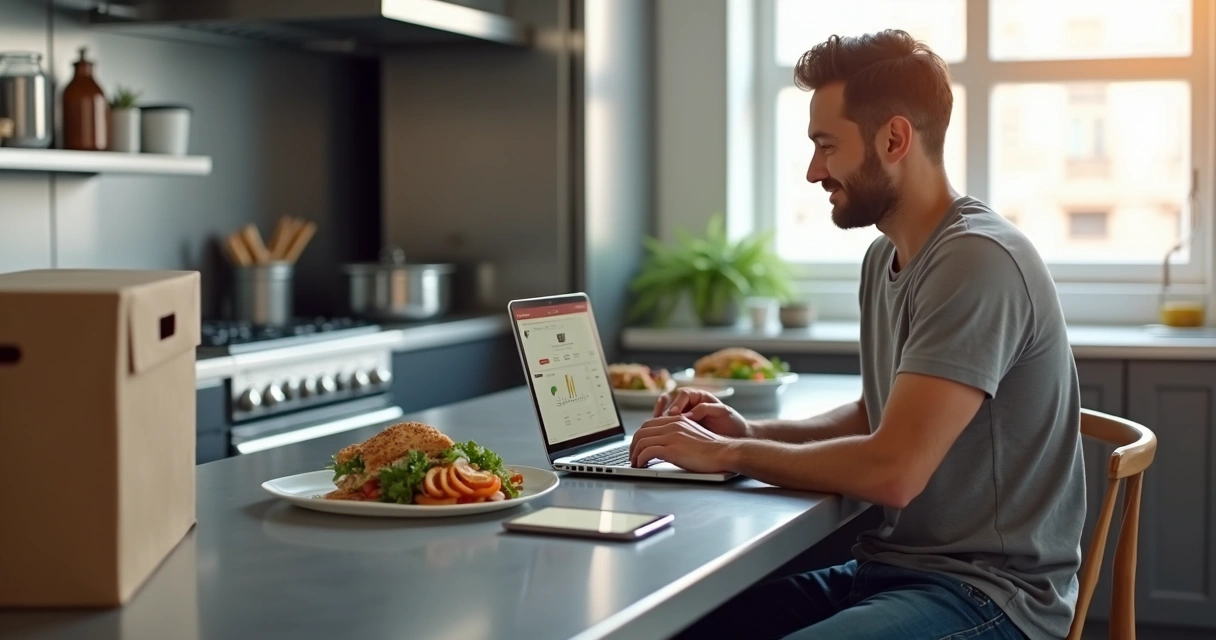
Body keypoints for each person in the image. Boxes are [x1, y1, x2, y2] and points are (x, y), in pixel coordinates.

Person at [629, 29, 1085, 640]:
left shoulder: (976, 260)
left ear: (894, 138)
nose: (815, 170)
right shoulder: (886, 257)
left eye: (826, 145)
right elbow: (878, 415)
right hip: (892, 571)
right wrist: (752, 431)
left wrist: (729, 455)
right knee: (681, 628)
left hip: (991, 597)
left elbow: (894, 470)